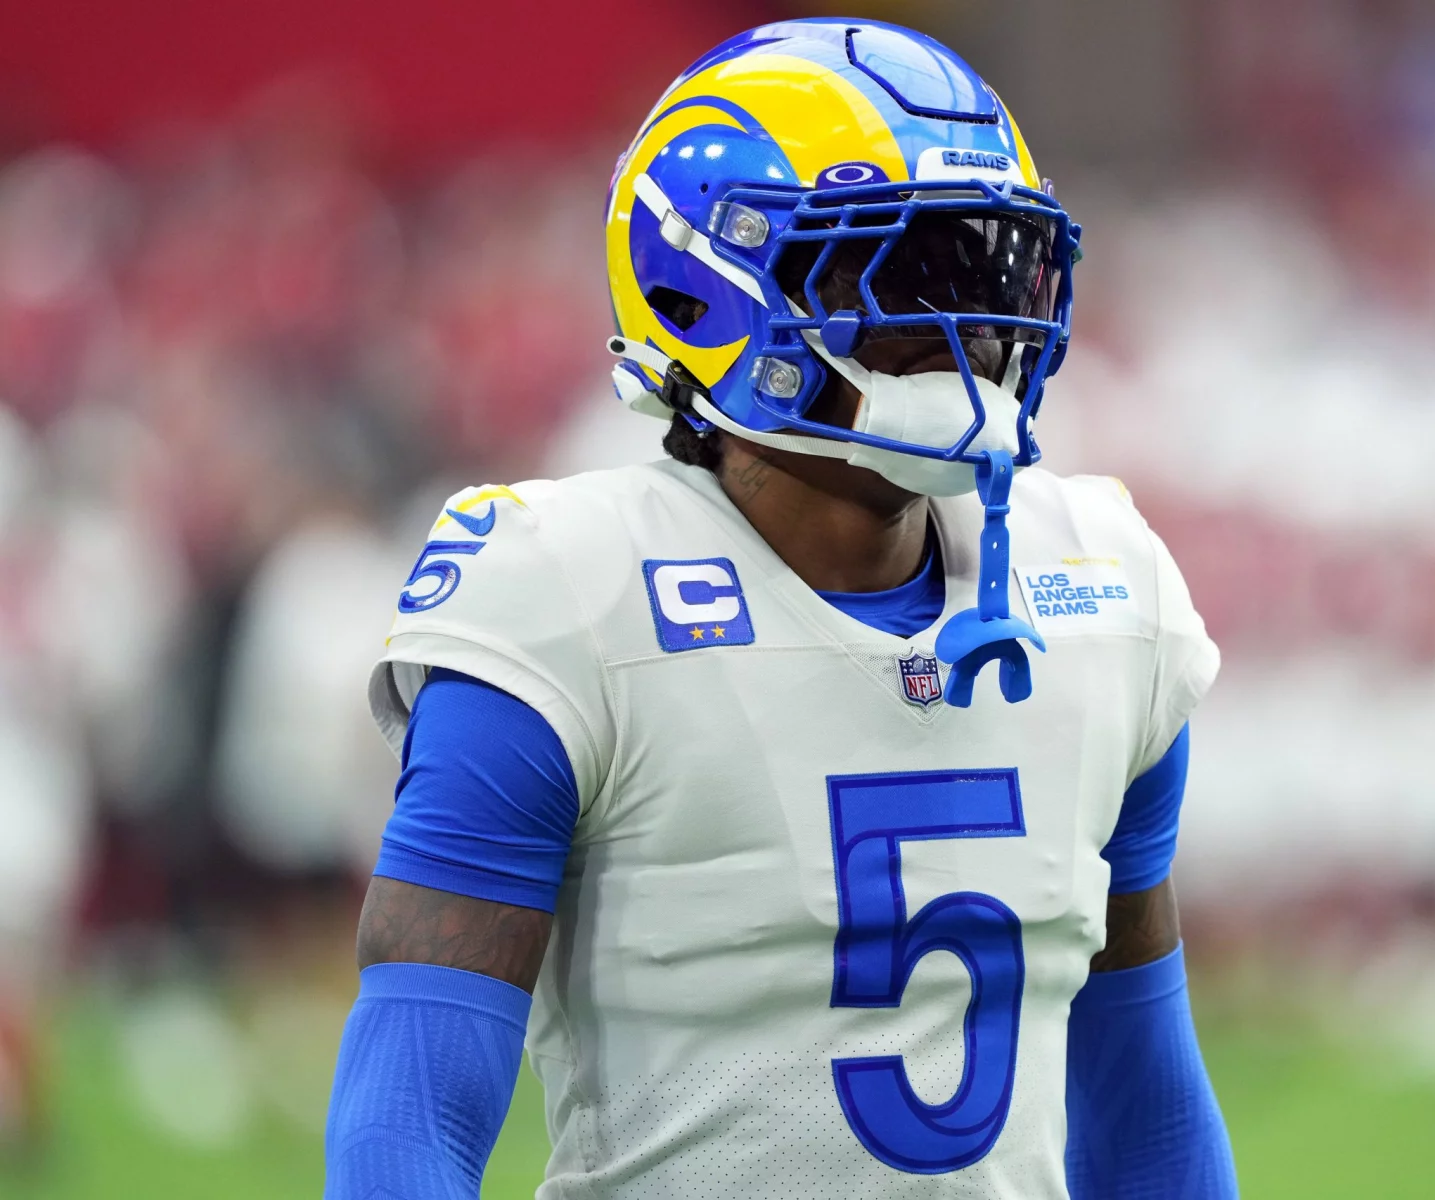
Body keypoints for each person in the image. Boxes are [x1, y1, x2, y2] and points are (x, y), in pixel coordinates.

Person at [324, 18, 1235, 1199]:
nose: (981, 333)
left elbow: (1146, 1101)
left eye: (991, 270)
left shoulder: (1101, 592)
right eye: (909, 271)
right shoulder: (563, 594)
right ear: (706, 288)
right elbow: (411, 1116)